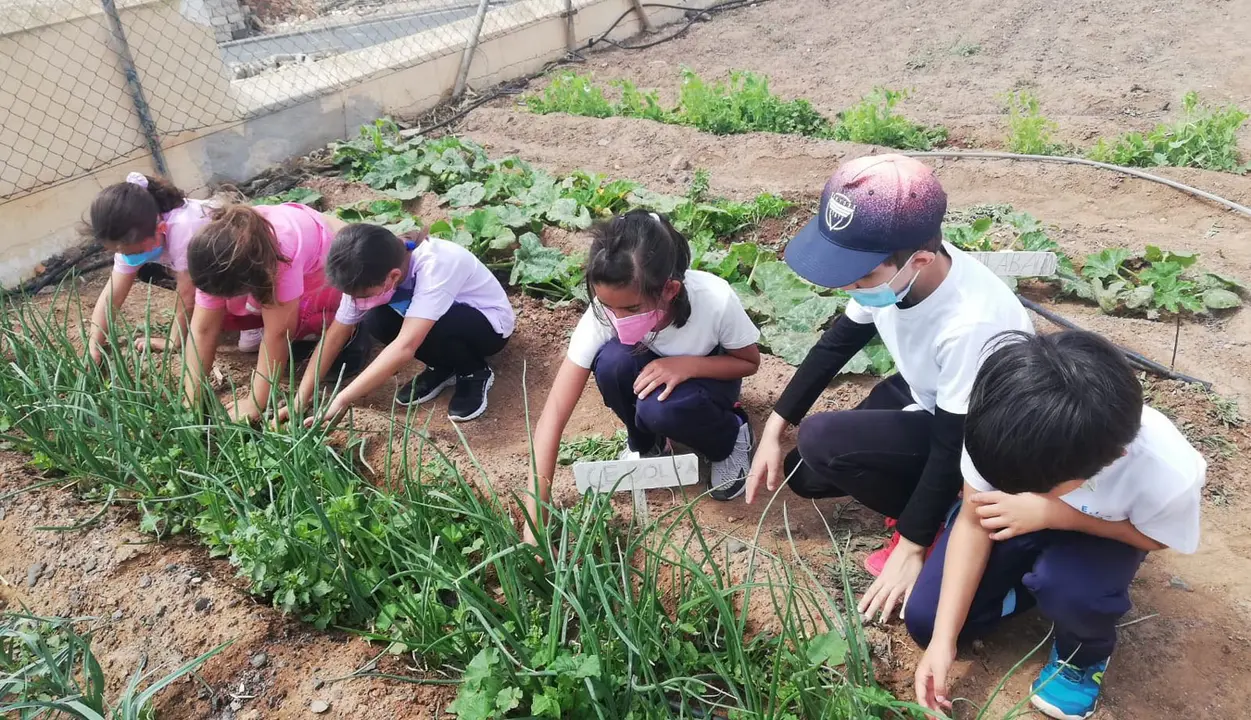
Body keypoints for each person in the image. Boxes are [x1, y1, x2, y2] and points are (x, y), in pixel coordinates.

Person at [744, 154, 1033, 624]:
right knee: (805, 472)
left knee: (824, 441)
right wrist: (776, 426)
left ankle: (940, 523)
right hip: (931, 395)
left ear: (919, 260)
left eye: (860, 278)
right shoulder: (898, 274)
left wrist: (914, 543)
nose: (851, 288)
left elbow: (953, 443)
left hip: (984, 434)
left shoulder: (969, 323)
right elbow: (839, 342)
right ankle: (921, 507)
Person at [909, 330, 1205, 720]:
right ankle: (1026, 583)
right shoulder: (1002, 419)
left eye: (1037, 487)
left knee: (1073, 590)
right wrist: (943, 642)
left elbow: (1155, 539)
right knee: (927, 623)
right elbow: (973, 518)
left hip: (1105, 531)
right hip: (1018, 514)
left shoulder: (1167, 473)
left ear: (1111, 460)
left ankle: (1082, 656)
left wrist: (1055, 514)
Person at [523, 210, 761, 543]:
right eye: (608, 306)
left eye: (631, 309)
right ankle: (649, 446)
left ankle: (729, 438)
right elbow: (553, 417)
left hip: (711, 376)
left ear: (669, 290)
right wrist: (535, 526)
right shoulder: (602, 314)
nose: (616, 318)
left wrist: (686, 365)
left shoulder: (715, 299)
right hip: (650, 372)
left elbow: (748, 362)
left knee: (659, 409)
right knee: (612, 364)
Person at [288, 223, 514, 425]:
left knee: (436, 324)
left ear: (394, 276)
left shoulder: (436, 265)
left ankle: (473, 371)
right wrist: (301, 398)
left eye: (363, 295)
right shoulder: (366, 270)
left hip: (488, 327)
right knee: (376, 319)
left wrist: (342, 399)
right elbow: (336, 335)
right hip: (435, 321)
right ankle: (442, 367)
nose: (356, 301)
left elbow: (405, 346)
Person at [182, 201, 365, 421]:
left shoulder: (280, 257)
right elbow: (202, 329)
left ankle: (354, 335)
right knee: (226, 317)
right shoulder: (213, 258)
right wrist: (192, 398)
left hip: (330, 263)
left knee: (305, 322)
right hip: (285, 262)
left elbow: (278, 334)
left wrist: (255, 402)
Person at [83, 172, 214, 362]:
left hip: (247, 266)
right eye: (121, 252)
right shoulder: (129, 236)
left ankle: (252, 320)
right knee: (147, 270)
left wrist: (173, 341)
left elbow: (187, 293)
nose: (128, 256)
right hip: (206, 267)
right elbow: (112, 294)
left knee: (207, 303)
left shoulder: (184, 228)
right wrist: (95, 345)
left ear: (159, 229)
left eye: (135, 252)